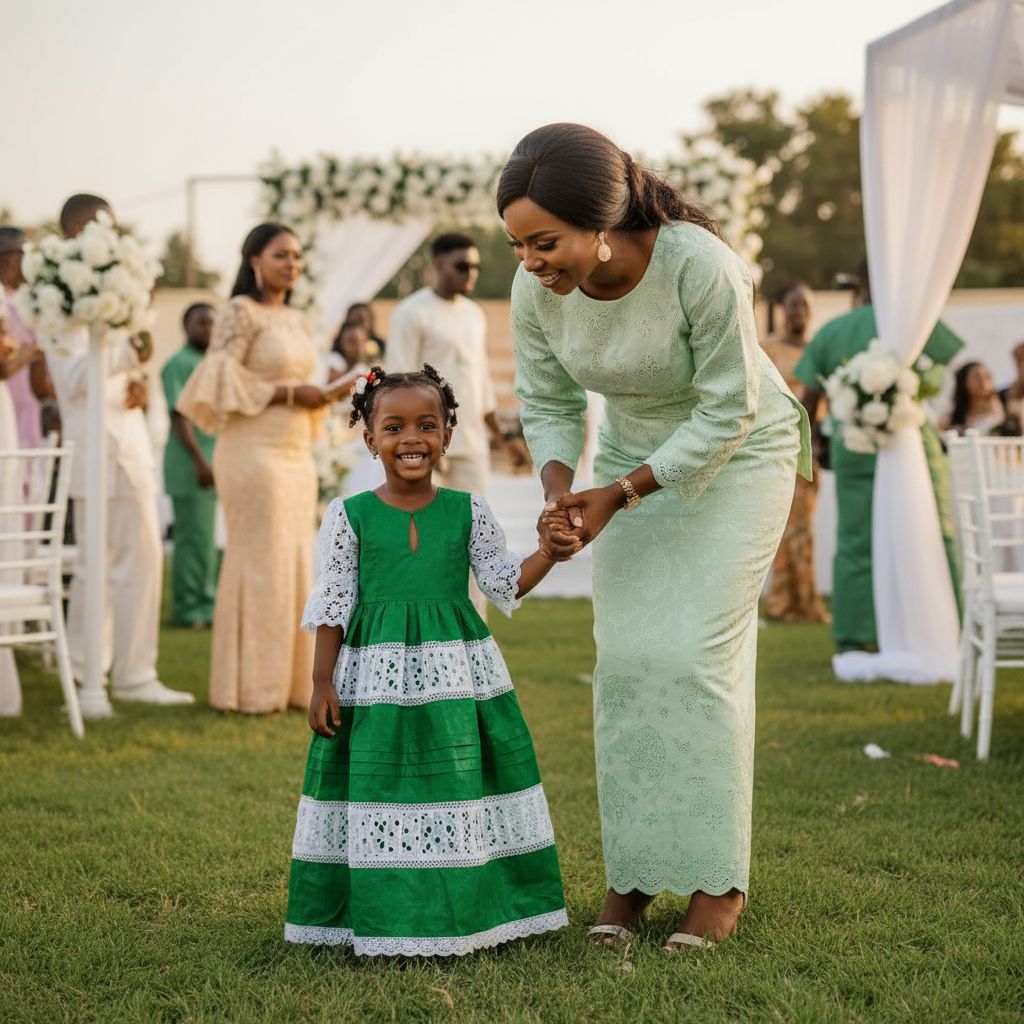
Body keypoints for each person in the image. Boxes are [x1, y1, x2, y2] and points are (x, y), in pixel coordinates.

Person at [499, 123, 811, 951]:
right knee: (629, 660)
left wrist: (621, 493)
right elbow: (547, 399)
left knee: (693, 658)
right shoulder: (535, 291)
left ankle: (717, 883)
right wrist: (562, 494)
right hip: (628, 460)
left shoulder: (699, 266)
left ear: (601, 227)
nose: (531, 262)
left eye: (545, 242)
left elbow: (731, 407)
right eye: (518, 245)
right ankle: (633, 878)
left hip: (740, 453)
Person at [285, 364, 569, 956]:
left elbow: (504, 582)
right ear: (369, 439)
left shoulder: (469, 509)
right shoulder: (348, 515)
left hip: (456, 678)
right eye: (393, 427)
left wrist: (548, 552)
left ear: (446, 436)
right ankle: (381, 912)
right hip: (372, 680)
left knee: (458, 783)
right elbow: (334, 604)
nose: (410, 438)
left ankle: (466, 907)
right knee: (376, 789)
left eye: (426, 425)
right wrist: (320, 682)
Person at [176, 222, 329, 714]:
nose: (292, 264)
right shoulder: (239, 313)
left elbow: (305, 383)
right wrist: (287, 393)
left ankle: (290, 685)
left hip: (295, 454)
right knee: (262, 561)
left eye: (297, 256)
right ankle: (250, 688)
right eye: (281, 254)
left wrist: (326, 395)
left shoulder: (300, 320)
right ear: (254, 260)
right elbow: (219, 378)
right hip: (251, 452)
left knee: (296, 561)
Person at [46, 194, 192, 706]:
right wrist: (129, 354)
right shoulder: (57, 296)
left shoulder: (122, 292)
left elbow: (132, 367)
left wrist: (141, 374)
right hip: (90, 448)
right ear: (72, 230)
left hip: (131, 446)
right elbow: (73, 378)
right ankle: (88, 679)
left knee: (146, 558)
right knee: (93, 566)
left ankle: (136, 675)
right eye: (95, 224)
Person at [795, 267, 964, 653]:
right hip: (912, 448)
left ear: (858, 286)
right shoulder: (918, 326)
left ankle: (856, 635)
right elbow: (940, 379)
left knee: (855, 541)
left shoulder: (831, 331)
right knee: (936, 532)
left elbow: (807, 401)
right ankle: (949, 623)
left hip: (853, 447)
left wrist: (813, 451)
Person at [387, 232, 529, 496]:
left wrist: (505, 439)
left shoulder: (474, 315)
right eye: (462, 266)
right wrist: (421, 442)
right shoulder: (411, 313)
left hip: (472, 443)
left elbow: (482, 385)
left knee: (472, 525)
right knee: (428, 529)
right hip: (428, 444)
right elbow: (399, 386)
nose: (471, 273)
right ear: (439, 265)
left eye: (475, 267)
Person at [761, 284, 830, 623]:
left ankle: (805, 602)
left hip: (809, 450)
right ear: (783, 308)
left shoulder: (820, 351)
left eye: (806, 305)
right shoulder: (767, 349)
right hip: (774, 446)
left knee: (803, 526)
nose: (799, 311)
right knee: (779, 525)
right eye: (793, 304)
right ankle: (779, 601)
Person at [161, 303, 218, 629]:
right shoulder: (177, 364)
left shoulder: (209, 363)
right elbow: (179, 415)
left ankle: (206, 605)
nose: (208, 329)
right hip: (190, 464)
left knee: (208, 540)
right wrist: (200, 460)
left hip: (213, 461)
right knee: (191, 540)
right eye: (201, 322)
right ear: (186, 325)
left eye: (212, 323)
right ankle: (188, 609)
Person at [0, 228, 48, 448]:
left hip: (25, 400)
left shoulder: (29, 297)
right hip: (9, 393)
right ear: (12, 258)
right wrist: (28, 353)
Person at [942, 360, 1017, 435]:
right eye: (977, 377)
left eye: (987, 376)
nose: (983, 381)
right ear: (964, 382)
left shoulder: (1005, 404)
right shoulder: (955, 416)